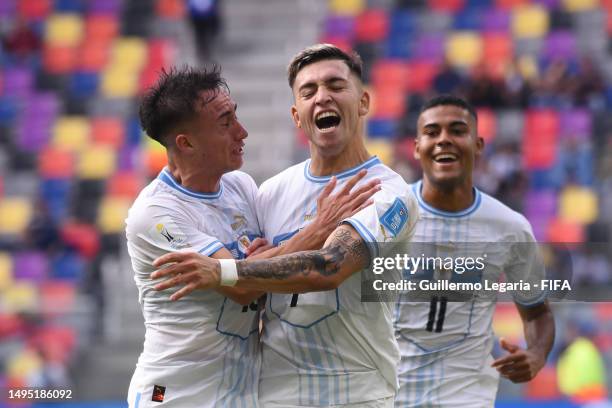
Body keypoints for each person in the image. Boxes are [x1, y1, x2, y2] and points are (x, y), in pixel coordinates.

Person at [152, 44, 420, 407]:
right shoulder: (270, 193)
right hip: (274, 394)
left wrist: (222, 271)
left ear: (363, 103)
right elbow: (257, 285)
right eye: (308, 92)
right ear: (298, 116)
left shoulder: (386, 193)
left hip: (355, 393)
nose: (322, 97)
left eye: (336, 86)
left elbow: (330, 267)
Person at [393, 95, 555, 407]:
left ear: (478, 144)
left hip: (467, 397)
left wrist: (535, 354)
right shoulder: (386, 215)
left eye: (457, 130)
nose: (444, 140)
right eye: (432, 132)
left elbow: (538, 311)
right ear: (416, 147)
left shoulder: (510, 227)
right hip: (390, 395)